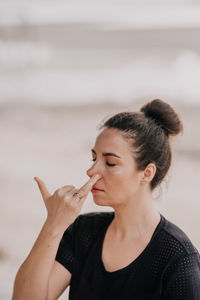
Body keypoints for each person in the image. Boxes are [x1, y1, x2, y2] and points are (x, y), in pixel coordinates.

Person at [12, 99, 200, 300]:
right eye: (94, 159)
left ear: (147, 173)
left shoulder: (178, 258)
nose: (91, 171)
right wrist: (53, 225)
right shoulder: (83, 232)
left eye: (110, 163)